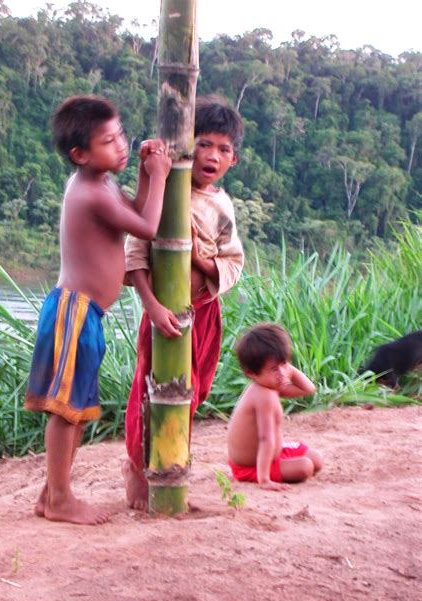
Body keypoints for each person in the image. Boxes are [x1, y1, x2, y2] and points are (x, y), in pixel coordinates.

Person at [24, 95, 171, 525]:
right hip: (74, 312)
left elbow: (139, 210)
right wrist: (160, 174)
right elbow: (148, 227)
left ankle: (51, 493)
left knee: (78, 411)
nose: (121, 145)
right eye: (109, 141)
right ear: (80, 154)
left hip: (87, 314)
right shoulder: (90, 191)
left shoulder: (104, 182)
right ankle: (59, 499)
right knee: (66, 411)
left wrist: (146, 173)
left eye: (122, 134)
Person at [122, 95, 245, 510]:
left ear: (234, 160)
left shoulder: (222, 206)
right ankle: (139, 474)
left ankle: (171, 470)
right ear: (186, 149)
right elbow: (136, 250)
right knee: (149, 390)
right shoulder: (168, 192)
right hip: (161, 314)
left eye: (223, 149)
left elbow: (233, 263)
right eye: (203, 144)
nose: (212, 156)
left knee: (191, 392)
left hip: (204, 314)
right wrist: (152, 305)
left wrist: (196, 258)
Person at [227, 323, 323, 489]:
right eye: (273, 368)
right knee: (305, 467)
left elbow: (308, 389)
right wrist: (264, 480)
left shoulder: (269, 384)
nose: (282, 374)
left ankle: (279, 361)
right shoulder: (263, 396)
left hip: (273, 453)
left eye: (284, 363)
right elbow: (266, 439)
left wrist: (282, 367)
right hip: (251, 466)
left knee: (317, 459)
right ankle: (262, 475)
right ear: (251, 373)